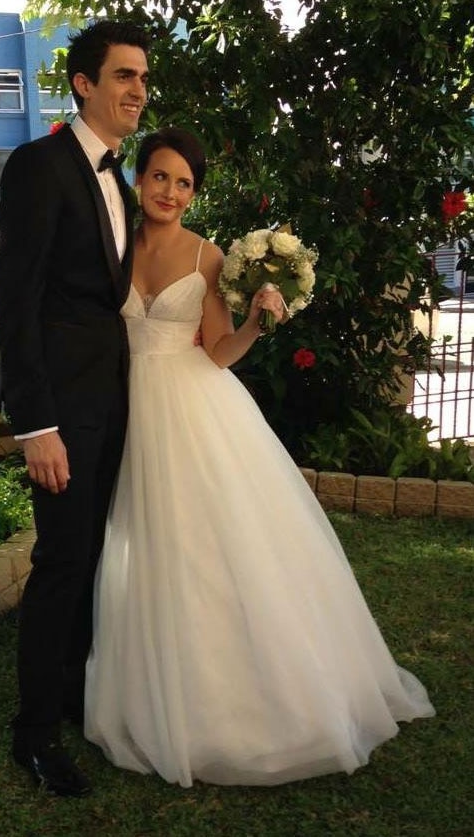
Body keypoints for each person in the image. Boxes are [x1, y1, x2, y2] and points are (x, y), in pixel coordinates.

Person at [84, 127, 435, 788]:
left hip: (192, 409)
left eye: (183, 182)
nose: (170, 191)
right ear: (138, 181)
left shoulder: (207, 256)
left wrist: (255, 320)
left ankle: (245, 702)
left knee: (213, 548)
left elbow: (215, 350)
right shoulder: (114, 248)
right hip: (129, 411)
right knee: (148, 548)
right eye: (159, 176)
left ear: (193, 193)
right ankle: (158, 688)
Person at [0, 20, 150, 798]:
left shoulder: (118, 181)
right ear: (83, 83)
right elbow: (15, 301)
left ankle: (74, 697)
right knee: (61, 564)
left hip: (113, 406)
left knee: (90, 559)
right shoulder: (39, 165)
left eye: (143, 80)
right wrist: (36, 425)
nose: (137, 92)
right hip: (61, 415)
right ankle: (34, 735)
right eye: (123, 76)